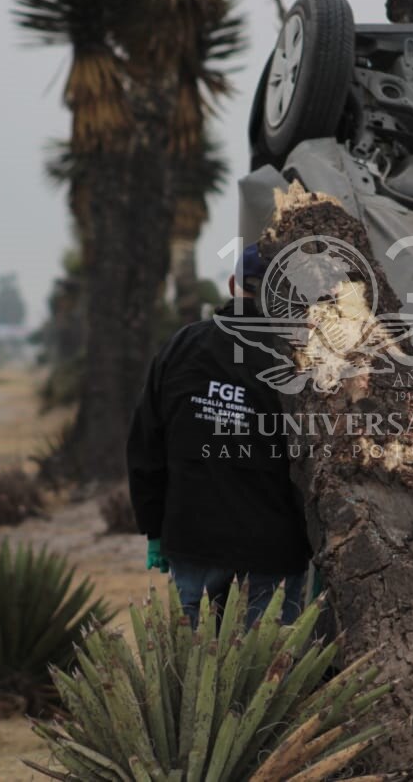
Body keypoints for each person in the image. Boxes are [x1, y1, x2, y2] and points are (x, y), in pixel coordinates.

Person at [127, 244, 311, 627]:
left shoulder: (181, 347)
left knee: (195, 659)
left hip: (193, 541)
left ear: (232, 284)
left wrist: (153, 526)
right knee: (268, 661)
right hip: (273, 550)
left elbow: (146, 446)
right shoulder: (300, 360)